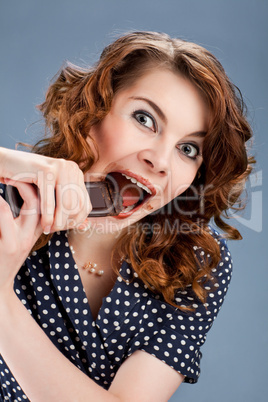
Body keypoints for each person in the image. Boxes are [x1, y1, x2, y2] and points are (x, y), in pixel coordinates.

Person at [0, 31, 253, 401]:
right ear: (93, 111)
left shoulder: (196, 261)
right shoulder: (13, 201)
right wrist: (5, 162)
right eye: (144, 118)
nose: (161, 161)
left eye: (187, 148)